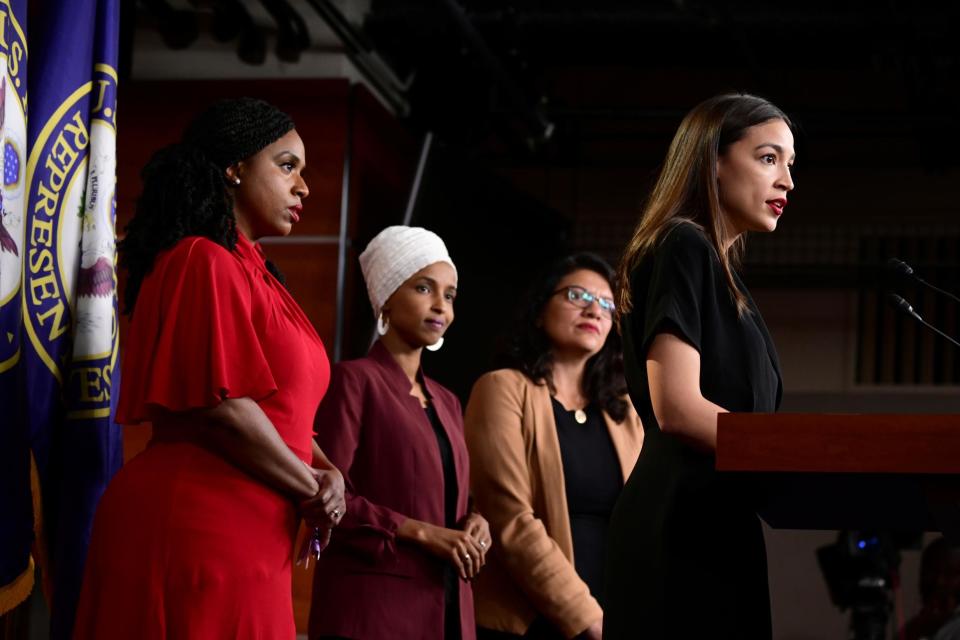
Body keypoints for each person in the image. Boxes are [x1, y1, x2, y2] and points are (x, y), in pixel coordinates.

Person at [74, 98, 345, 639]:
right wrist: (312, 488)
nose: (304, 187)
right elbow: (218, 406)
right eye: (287, 166)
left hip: (254, 526)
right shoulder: (203, 258)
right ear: (235, 167)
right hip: (199, 523)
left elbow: (277, 408)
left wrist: (328, 469)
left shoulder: (259, 272)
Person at [604, 93, 794, 639]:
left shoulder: (726, 279)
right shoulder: (683, 243)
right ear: (712, 159)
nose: (786, 181)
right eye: (768, 158)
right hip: (680, 526)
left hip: (719, 525)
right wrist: (789, 451)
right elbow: (679, 408)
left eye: (789, 165)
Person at [308, 226, 489, 640]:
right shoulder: (354, 380)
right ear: (387, 296)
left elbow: (446, 493)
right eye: (424, 288)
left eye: (450, 294)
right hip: (374, 610)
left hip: (448, 607)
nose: (440, 305)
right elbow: (329, 496)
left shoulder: (447, 401)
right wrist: (421, 532)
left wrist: (476, 520)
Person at [464, 253, 643, 640]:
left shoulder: (625, 412)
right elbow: (509, 518)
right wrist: (588, 618)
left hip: (615, 615)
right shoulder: (502, 389)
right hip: (528, 622)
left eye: (607, 303)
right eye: (577, 295)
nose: (595, 308)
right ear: (540, 312)